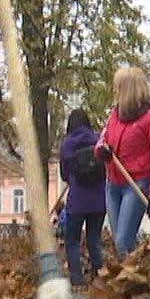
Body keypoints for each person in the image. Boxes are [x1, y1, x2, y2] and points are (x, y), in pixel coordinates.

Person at [96, 66, 150, 261]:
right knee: (121, 241)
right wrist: (101, 150)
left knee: (122, 241)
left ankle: (132, 280)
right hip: (112, 185)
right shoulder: (115, 115)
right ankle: (132, 277)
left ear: (127, 90)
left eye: (118, 88)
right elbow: (103, 139)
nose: (115, 92)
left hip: (136, 185)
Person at [56, 108, 107, 286]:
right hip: (99, 201)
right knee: (94, 240)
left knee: (72, 241)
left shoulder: (67, 144)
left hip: (77, 201)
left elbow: (63, 174)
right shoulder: (98, 140)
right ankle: (99, 277)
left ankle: (77, 280)